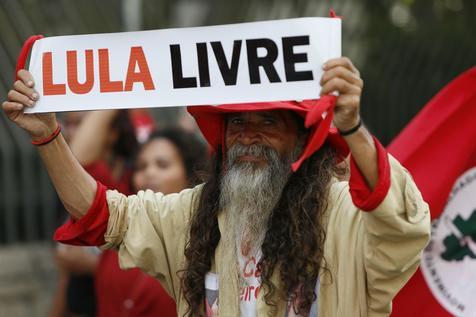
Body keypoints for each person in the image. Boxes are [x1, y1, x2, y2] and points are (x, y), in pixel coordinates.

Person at [3, 57, 430, 316]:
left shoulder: (343, 216)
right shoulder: (195, 214)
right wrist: (48, 137)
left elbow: (402, 225)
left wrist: (351, 127)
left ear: (303, 138)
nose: (248, 135)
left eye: (268, 121)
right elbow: (100, 215)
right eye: (237, 123)